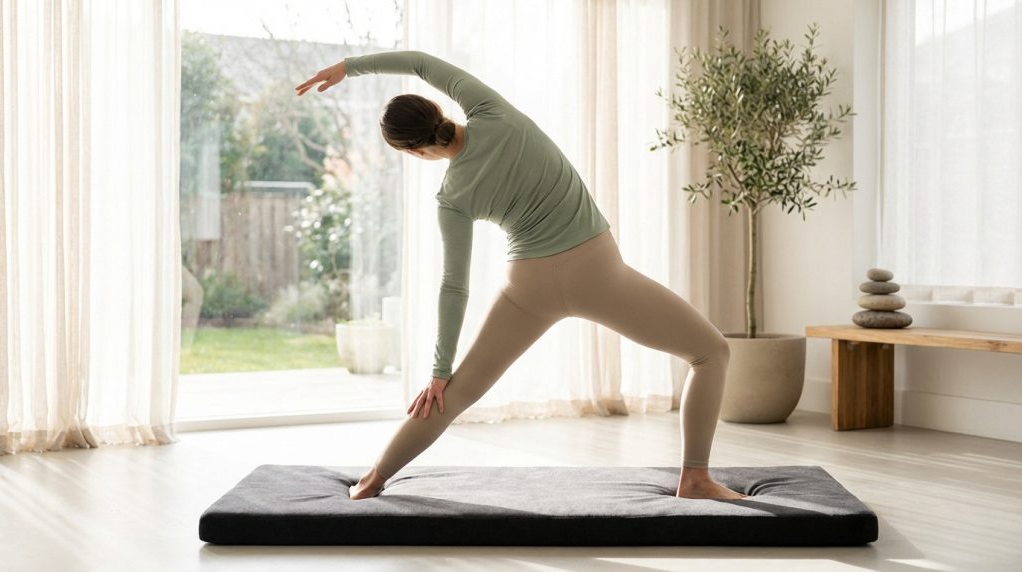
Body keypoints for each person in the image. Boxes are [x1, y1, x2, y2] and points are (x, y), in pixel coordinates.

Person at [295, 50, 745, 501]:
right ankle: (696, 478)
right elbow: (419, 63)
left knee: (451, 397)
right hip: (598, 273)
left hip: (528, 288)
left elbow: (454, 285)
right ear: (440, 109)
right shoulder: (490, 110)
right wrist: (349, 68)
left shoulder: (451, 196)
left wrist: (439, 370)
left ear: (414, 151)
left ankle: (371, 482)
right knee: (710, 353)